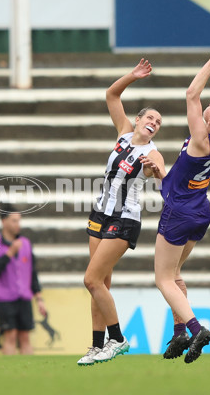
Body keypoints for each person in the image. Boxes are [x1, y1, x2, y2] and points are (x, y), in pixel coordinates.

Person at [149, 31, 210, 364]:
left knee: (162, 278)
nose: (208, 104)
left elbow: (191, 93)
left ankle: (195, 327)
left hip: (179, 211)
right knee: (175, 275)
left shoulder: (201, 138)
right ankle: (178, 334)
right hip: (199, 211)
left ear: (209, 119)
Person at [77, 59, 166, 366]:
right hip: (99, 214)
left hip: (124, 219)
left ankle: (117, 339)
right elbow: (111, 96)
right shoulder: (124, 133)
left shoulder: (151, 153)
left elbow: (163, 175)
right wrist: (133, 76)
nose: (154, 122)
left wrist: (156, 171)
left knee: (91, 280)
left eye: (159, 122)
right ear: (138, 119)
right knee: (101, 283)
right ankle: (97, 346)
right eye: (150, 117)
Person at [0, 204, 47, 355]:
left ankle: (30, 373)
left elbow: (32, 272)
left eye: (19, 221)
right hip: (4, 297)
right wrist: (9, 253)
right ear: (4, 221)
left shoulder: (26, 243)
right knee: (10, 335)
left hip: (24, 296)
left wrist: (38, 298)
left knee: (25, 336)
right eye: (14, 221)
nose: (18, 224)